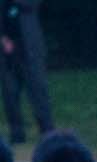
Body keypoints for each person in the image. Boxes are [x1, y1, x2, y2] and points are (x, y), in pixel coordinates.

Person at [0, 0, 51, 147]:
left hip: (30, 47)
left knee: (38, 89)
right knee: (10, 92)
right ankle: (17, 133)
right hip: (6, 49)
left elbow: (32, 5)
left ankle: (46, 129)